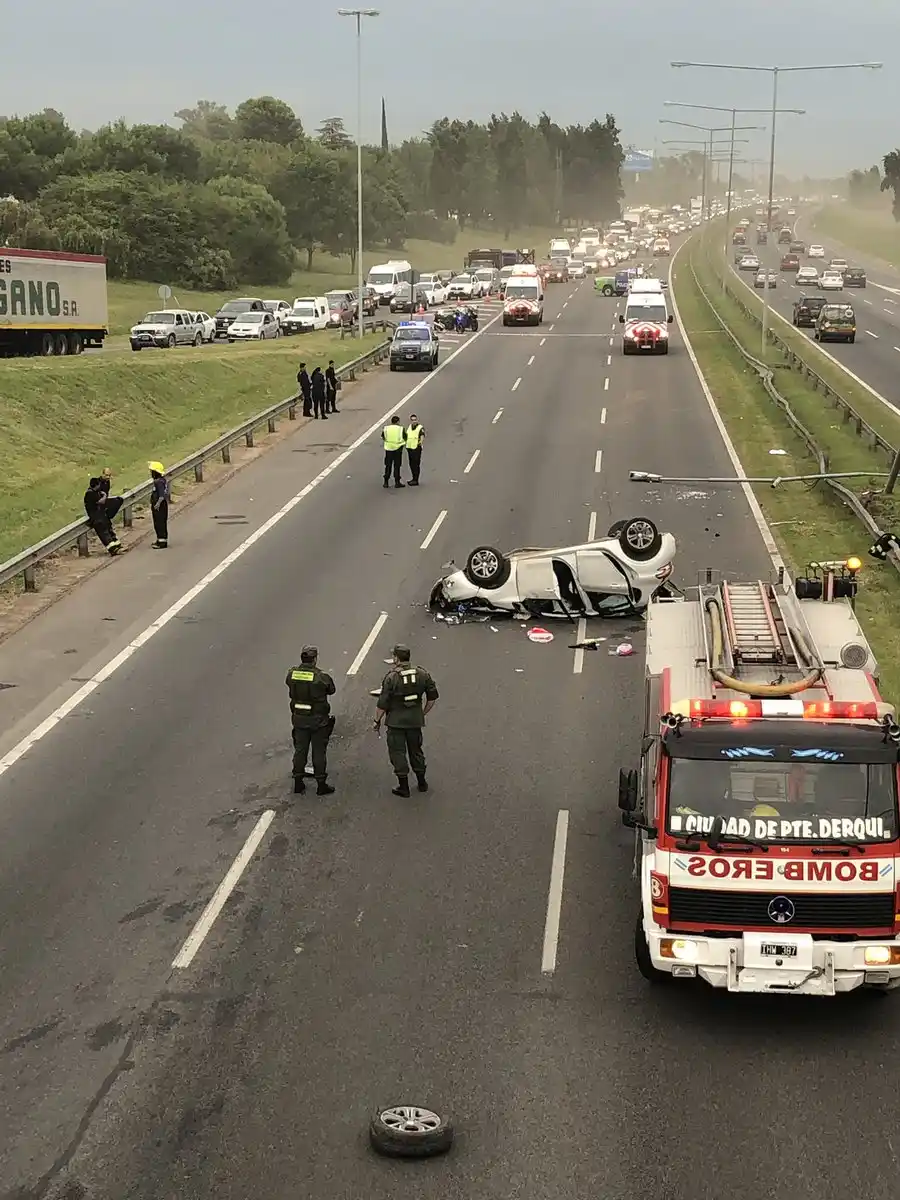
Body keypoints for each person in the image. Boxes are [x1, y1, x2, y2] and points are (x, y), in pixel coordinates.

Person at [373, 644, 439, 797]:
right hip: (415, 722)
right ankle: (422, 783)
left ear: (396, 658)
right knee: (416, 751)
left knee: (398, 753)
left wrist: (376, 722)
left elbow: (382, 704)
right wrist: (422, 713)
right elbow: (432, 697)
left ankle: (403, 787)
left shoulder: (391, 677)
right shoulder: (422, 674)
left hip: (396, 723)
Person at [286, 646, 336, 795]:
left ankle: (298, 782)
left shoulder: (292, 674)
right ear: (314, 659)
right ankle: (321, 784)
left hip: (299, 719)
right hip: (318, 721)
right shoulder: (321, 677)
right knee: (319, 752)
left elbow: (289, 683)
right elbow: (331, 690)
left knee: (300, 751)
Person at [83, 476, 122, 554]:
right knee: (104, 534)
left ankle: (117, 545)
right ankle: (113, 549)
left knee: (109, 530)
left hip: (101, 515)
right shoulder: (90, 494)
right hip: (96, 518)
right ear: (96, 485)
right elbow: (101, 501)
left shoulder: (95, 492)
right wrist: (104, 495)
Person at [148, 461, 170, 548]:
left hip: (160, 506)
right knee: (158, 523)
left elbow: (161, 495)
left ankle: (162, 542)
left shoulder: (159, 482)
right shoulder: (161, 480)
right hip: (160, 505)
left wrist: (157, 504)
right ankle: (159, 539)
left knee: (160, 523)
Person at [382, 415, 405, 488]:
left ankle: (386, 482)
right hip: (398, 449)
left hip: (388, 449)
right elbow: (405, 437)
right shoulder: (401, 429)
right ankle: (397, 482)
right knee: (397, 466)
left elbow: (383, 436)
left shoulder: (386, 428)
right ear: (398, 421)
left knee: (388, 466)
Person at [404, 414, 425, 485]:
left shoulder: (420, 427)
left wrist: (420, 443)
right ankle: (413, 478)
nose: (414, 421)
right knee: (411, 464)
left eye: (415, 420)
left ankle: (416, 480)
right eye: (412, 420)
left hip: (416, 448)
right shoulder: (409, 427)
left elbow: (422, 435)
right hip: (410, 448)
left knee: (416, 464)